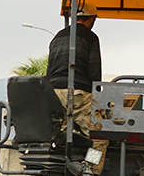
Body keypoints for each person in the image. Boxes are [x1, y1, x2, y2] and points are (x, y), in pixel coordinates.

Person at [44, 14, 107, 167]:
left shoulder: (57, 37)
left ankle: (63, 168)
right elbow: (94, 72)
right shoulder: (90, 37)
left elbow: (48, 72)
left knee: (61, 135)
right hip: (78, 94)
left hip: (55, 95)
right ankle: (90, 169)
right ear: (92, 19)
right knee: (100, 137)